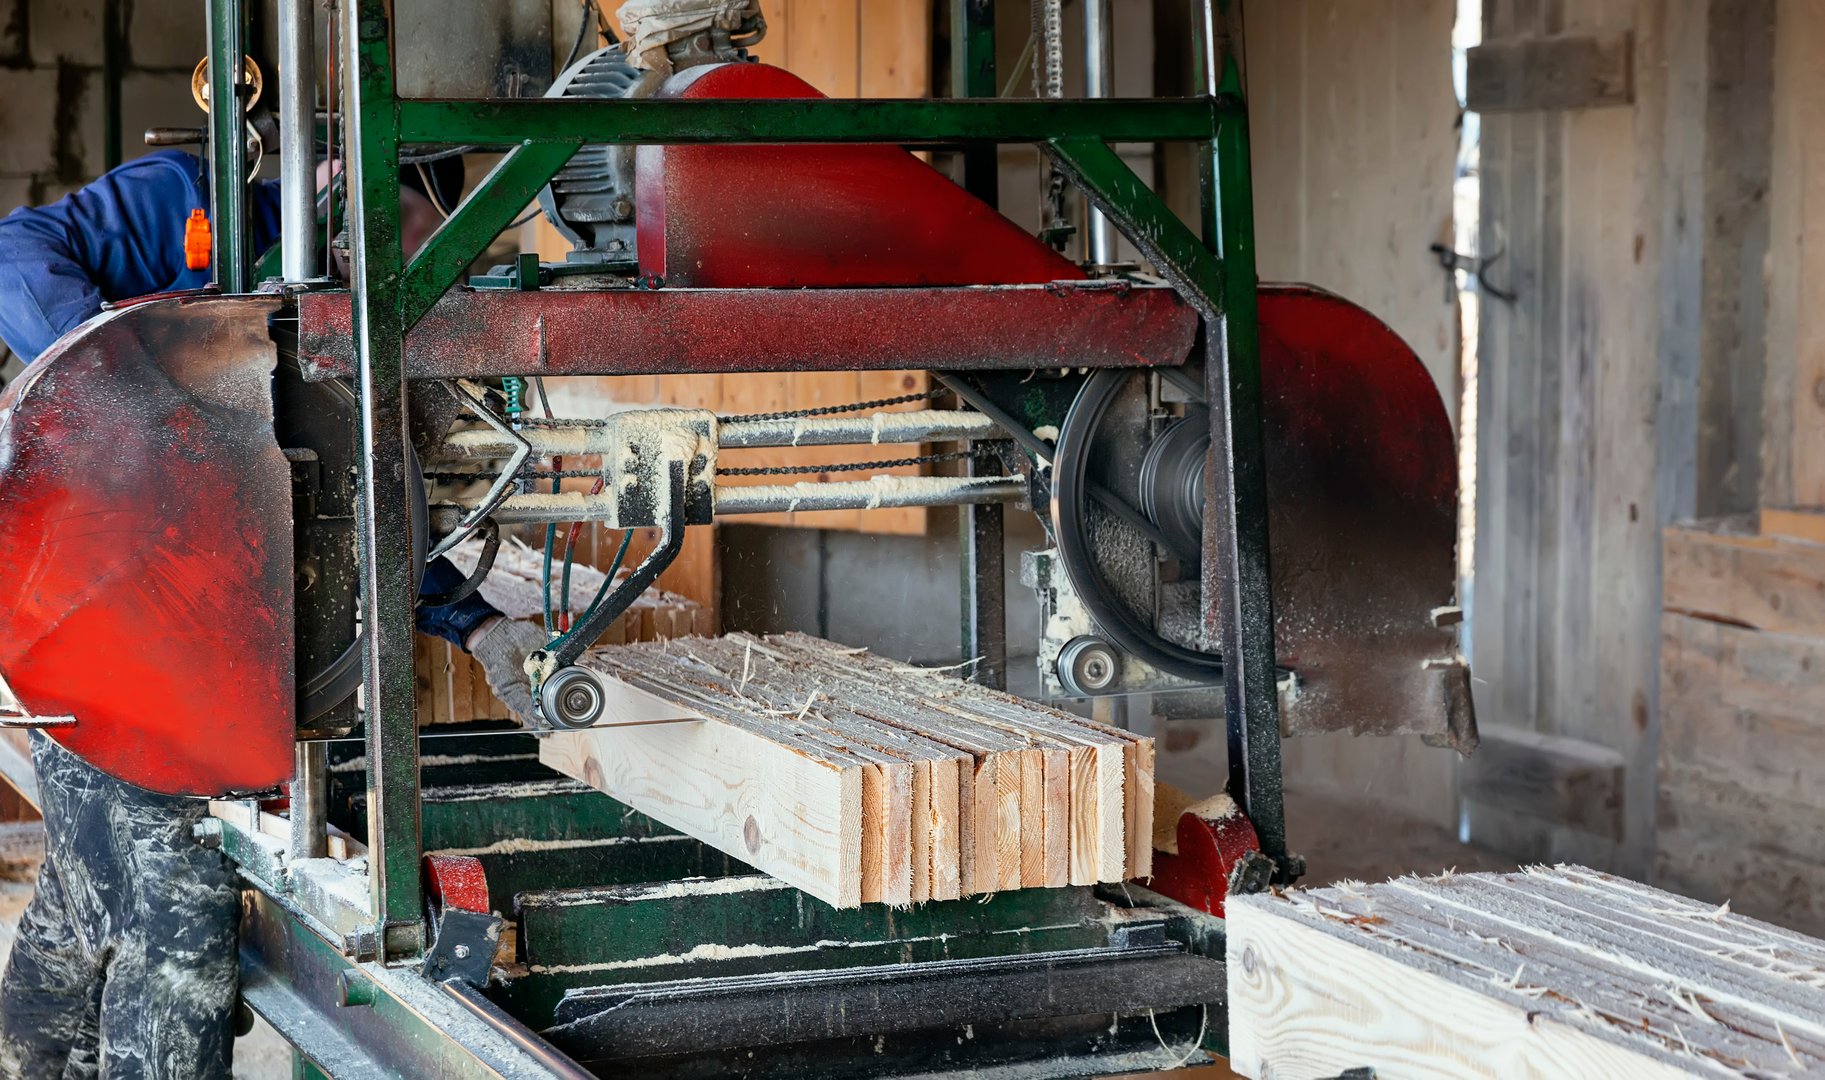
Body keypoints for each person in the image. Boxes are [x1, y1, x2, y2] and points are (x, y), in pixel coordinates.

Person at [0, 148, 547, 1078]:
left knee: (92, 878)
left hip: (189, 641)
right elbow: (15, 248)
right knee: (178, 920)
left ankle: (35, 1057)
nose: (404, 249)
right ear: (347, 177)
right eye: (406, 223)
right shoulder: (191, 200)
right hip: (90, 608)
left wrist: (478, 623)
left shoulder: (341, 328)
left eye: (423, 246)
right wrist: (120, 376)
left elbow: (347, 523)